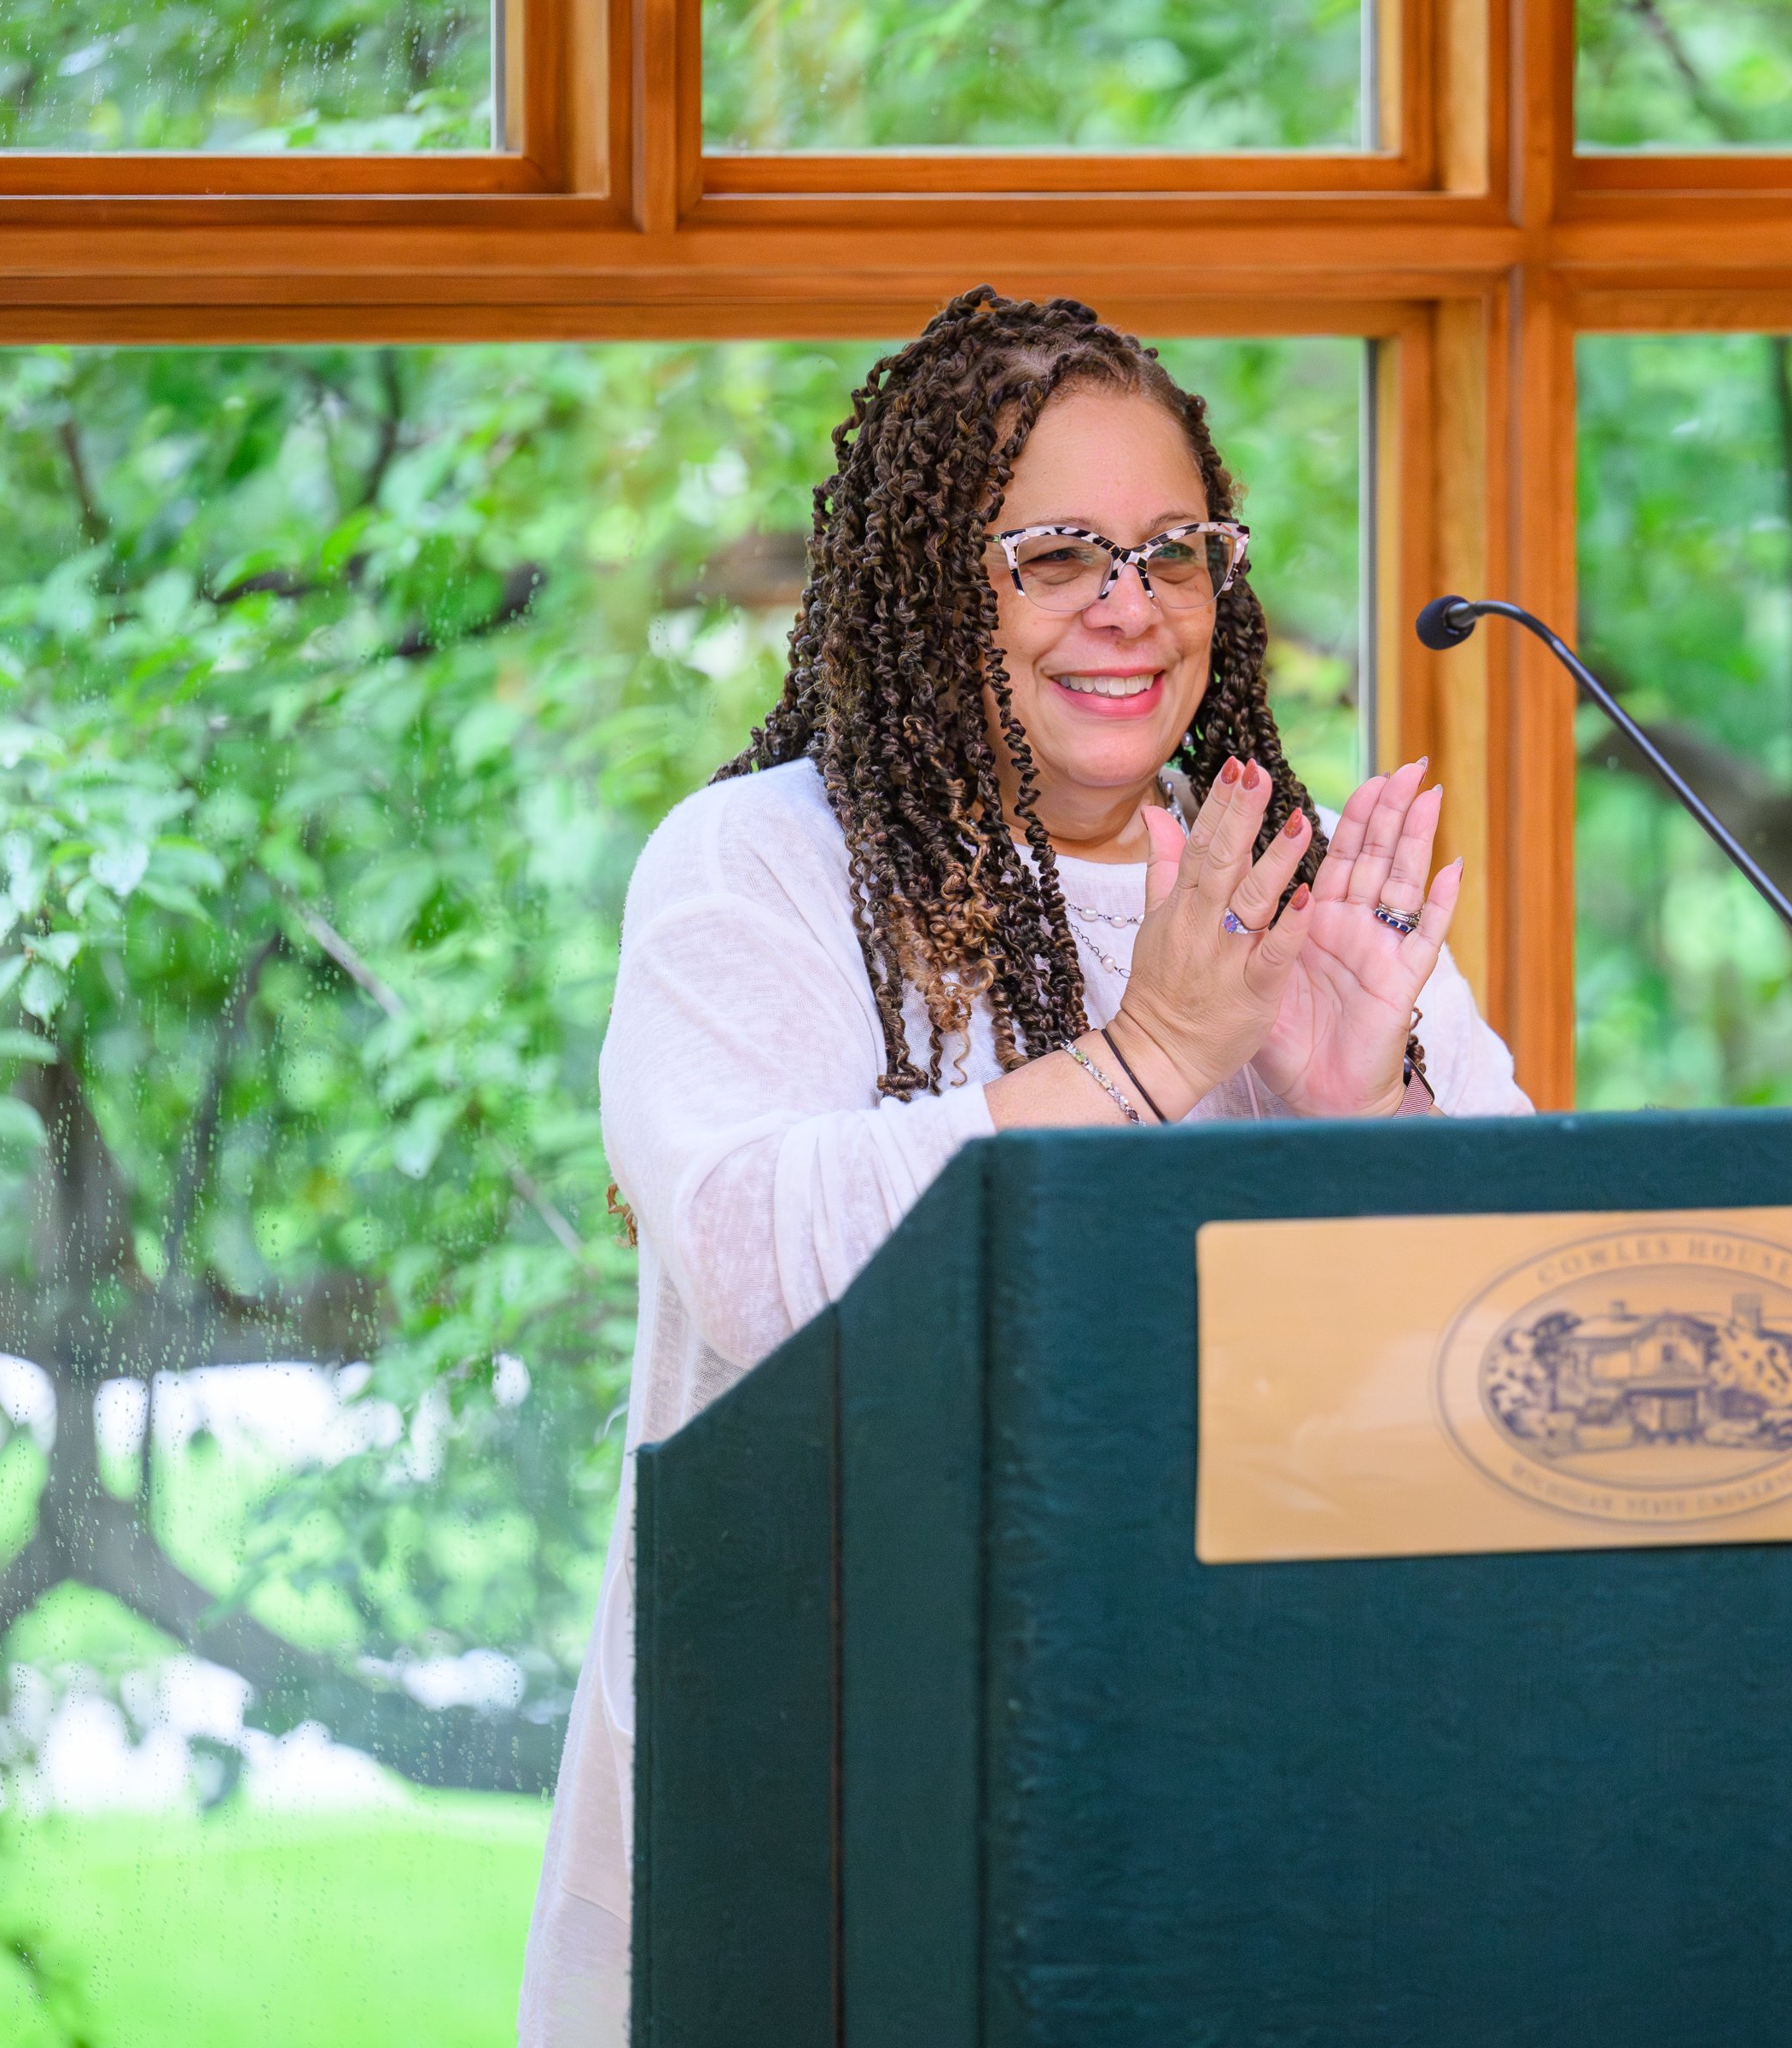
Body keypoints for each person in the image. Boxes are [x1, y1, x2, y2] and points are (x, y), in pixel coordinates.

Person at [517, 287, 1531, 2045]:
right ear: (931, 581)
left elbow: (1518, 1360)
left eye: (1173, 552)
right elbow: (756, 1260)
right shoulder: (761, 868)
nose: (1130, 606)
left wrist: (1363, 1114)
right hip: (844, 1799)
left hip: (1247, 1795)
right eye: (1056, 555)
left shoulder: (1292, 900)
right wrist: (1150, 1061)